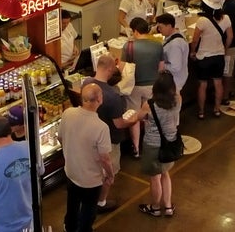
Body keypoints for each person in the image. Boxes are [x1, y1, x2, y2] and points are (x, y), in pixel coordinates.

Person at [82, 54, 138, 213]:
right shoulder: (113, 96)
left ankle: (89, 199)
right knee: (108, 174)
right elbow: (119, 123)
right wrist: (133, 120)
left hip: (89, 138)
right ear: (108, 70)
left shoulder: (86, 84)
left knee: (93, 172)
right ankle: (101, 202)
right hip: (109, 140)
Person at [59, 83, 115, 232]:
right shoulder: (101, 127)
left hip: (71, 171)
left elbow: (60, 138)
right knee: (89, 209)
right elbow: (105, 158)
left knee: (72, 202)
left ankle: (69, 226)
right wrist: (110, 175)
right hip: (90, 179)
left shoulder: (68, 113)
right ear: (99, 99)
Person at [136, 71, 179, 217]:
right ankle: (168, 207)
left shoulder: (149, 105)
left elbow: (138, 117)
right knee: (166, 174)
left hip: (153, 145)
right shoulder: (177, 99)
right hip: (170, 143)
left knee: (155, 178)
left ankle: (154, 207)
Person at [121, 17, 164, 157]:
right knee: (151, 116)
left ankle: (136, 149)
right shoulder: (158, 45)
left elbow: (123, 67)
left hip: (134, 87)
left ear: (135, 31)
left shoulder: (129, 46)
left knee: (134, 117)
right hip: (152, 85)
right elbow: (161, 67)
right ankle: (151, 144)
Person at [190, 0, 233, 119]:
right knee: (218, 83)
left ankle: (201, 112)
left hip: (204, 57)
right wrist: (224, 49)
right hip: (219, 56)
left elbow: (195, 39)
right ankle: (217, 109)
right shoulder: (226, 18)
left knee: (202, 85)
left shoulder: (202, 20)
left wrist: (193, 52)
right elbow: (230, 36)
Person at [155, 13, 189, 98]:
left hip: (174, 81)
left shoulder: (175, 45)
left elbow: (175, 67)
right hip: (175, 79)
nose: (159, 30)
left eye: (161, 27)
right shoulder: (176, 36)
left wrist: (161, 66)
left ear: (169, 26)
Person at [218, 0, 235, 103]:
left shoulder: (231, 5)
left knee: (227, 70)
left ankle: (225, 96)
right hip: (233, 41)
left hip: (230, 43)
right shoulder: (231, 2)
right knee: (229, 68)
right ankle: (229, 90)